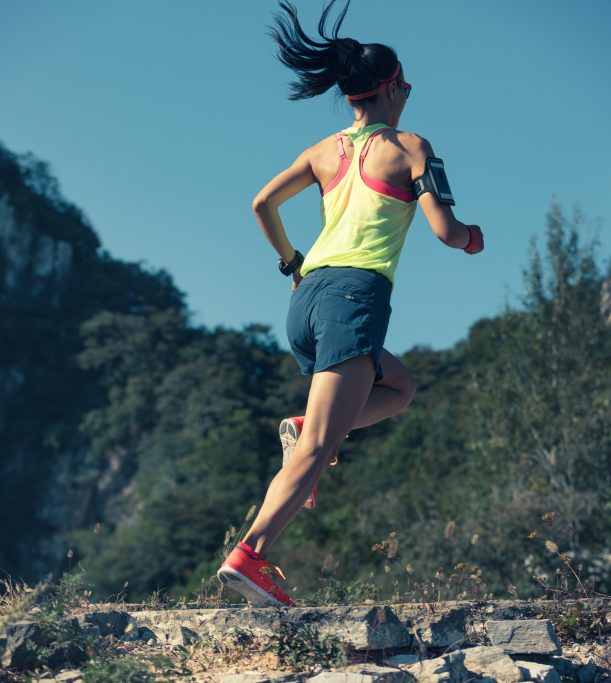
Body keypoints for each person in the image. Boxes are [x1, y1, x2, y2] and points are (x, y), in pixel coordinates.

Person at [217, 0, 484, 607]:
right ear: (390, 88)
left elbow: (262, 203)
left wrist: (291, 263)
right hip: (353, 297)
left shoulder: (322, 151)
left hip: (308, 299)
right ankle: (250, 555)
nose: (409, 93)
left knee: (400, 387)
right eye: (406, 84)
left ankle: (307, 427)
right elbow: (445, 231)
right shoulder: (411, 147)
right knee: (316, 452)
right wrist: (474, 239)